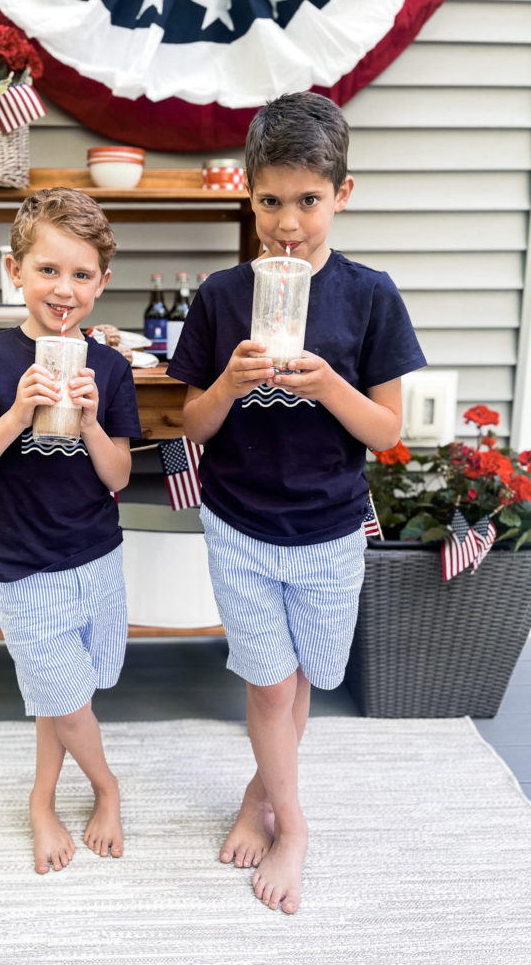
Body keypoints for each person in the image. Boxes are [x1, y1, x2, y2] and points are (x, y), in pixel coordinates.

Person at [167, 92, 426, 914]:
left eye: (308, 201)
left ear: (341, 195)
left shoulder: (371, 295)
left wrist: (330, 382)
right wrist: (231, 383)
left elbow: (385, 430)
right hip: (240, 520)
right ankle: (295, 824)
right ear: (248, 195)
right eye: (270, 200)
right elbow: (191, 424)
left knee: (306, 674)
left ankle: (258, 793)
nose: (288, 224)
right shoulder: (219, 296)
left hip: (329, 524)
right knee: (270, 684)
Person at [0, 188, 141, 875]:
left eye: (81, 274)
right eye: (48, 270)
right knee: (63, 694)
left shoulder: (112, 368)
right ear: (16, 270)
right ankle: (105, 788)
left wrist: (89, 420)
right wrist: (14, 415)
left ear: (101, 284)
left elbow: (118, 476)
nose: (64, 289)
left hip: (94, 557)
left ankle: (40, 792)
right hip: (22, 564)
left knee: (64, 689)